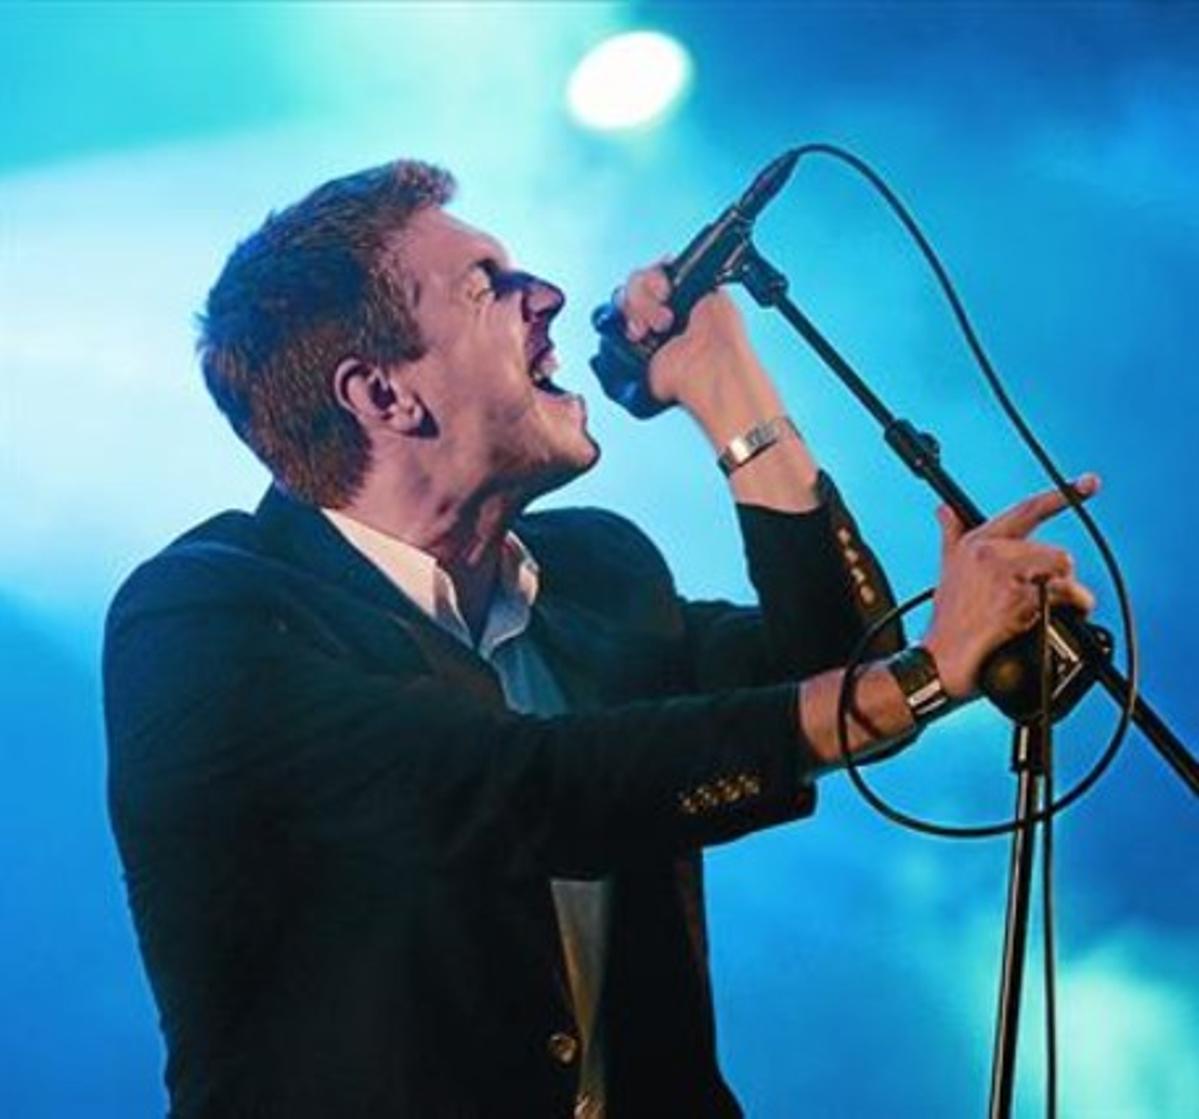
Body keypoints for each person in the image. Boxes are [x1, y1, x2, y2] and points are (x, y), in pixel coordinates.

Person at [102, 160, 1096, 1118]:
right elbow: (520, 790)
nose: (547, 297)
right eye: (489, 284)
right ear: (383, 395)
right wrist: (926, 674)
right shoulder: (205, 621)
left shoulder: (599, 571)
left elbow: (834, 674)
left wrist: (729, 388)